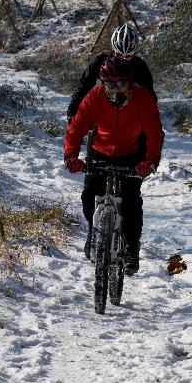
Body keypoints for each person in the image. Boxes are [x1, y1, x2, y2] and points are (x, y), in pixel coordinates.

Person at [64, 56, 164, 274]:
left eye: (120, 83)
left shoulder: (143, 98)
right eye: (109, 84)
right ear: (102, 83)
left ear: (130, 81)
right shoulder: (94, 97)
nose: (115, 89)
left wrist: (150, 162)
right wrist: (71, 157)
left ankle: (131, 248)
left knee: (131, 202)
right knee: (89, 193)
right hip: (100, 151)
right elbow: (76, 128)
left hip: (131, 154)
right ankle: (93, 230)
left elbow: (154, 133)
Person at [66, 21, 155, 121]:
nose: (123, 59)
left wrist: (150, 117)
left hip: (131, 112)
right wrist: (72, 111)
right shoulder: (100, 62)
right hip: (103, 109)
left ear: (134, 54)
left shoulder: (139, 65)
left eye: (128, 56)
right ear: (113, 51)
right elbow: (83, 86)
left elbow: (149, 94)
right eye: (119, 55)